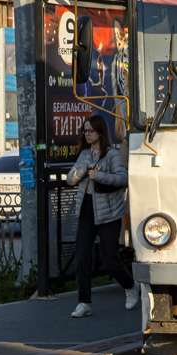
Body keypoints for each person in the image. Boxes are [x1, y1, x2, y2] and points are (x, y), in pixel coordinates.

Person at [66, 114, 135, 317]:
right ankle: (84, 302)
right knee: (82, 258)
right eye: (84, 131)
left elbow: (122, 179)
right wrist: (84, 171)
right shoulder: (85, 154)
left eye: (90, 131)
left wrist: (100, 175)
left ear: (100, 132)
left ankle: (130, 287)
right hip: (86, 211)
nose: (87, 135)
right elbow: (71, 179)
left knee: (110, 257)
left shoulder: (112, 154)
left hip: (109, 213)